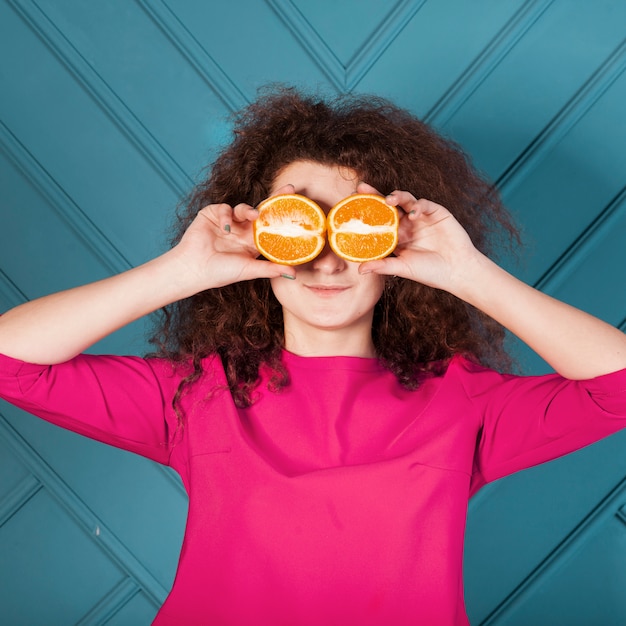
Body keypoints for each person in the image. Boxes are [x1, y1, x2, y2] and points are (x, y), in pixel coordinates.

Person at [0, 87, 625, 625]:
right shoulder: (198, 393)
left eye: (354, 226)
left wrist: (466, 273)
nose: (326, 258)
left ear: (394, 243)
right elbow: (11, 359)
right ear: (259, 240)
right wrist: (181, 271)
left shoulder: (463, 401)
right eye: (298, 226)